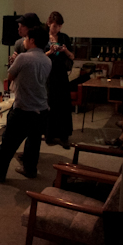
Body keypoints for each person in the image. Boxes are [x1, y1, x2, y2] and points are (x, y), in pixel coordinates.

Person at [0, 26, 52, 182]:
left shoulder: (23, 57)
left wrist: (13, 62)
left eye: (26, 38)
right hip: (42, 108)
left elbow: (10, 76)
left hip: (24, 108)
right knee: (33, 143)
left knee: (8, 144)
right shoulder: (47, 60)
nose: (24, 40)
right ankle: (30, 170)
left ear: (32, 40)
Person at [45, 11, 74, 149]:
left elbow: (72, 56)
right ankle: (49, 134)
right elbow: (39, 55)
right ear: (49, 23)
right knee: (49, 103)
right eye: (55, 26)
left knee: (63, 104)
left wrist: (65, 50)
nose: (57, 29)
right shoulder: (43, 38)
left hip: (61, 74)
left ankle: (64, 136)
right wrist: (50, 52)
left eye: (59, 26)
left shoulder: (64, 37)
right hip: (48, 74)